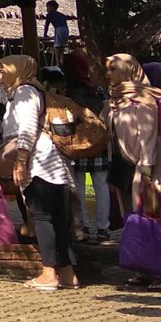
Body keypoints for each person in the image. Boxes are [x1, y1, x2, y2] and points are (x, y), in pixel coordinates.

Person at [0, 54, 80, 292]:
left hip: (40, 164)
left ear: (16, 70)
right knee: (59, 221)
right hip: (53, 165)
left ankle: (49, 273)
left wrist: (21, 161)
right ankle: (68, 274)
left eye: (2, 71)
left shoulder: (24, 93)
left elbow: (28, 128)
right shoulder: (21, 92)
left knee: (42, 218)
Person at [107, 53, 161, 286]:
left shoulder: (145, 100)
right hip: (125, 166)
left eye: (113, 69)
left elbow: (147, 137)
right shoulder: (117, 99)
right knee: (136, 218)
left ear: (127, 70)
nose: (108, 74)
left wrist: (145, 172)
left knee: (159, 217)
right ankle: (144, 267)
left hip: (150, 168)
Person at [60, 54, 110, 243]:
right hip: (99, 142)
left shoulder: (68, 93)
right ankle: (103, 227)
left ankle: (88, 226)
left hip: (79, 143)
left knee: (82, 186)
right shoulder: (98, 90)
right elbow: (106, 113)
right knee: (100, 185)